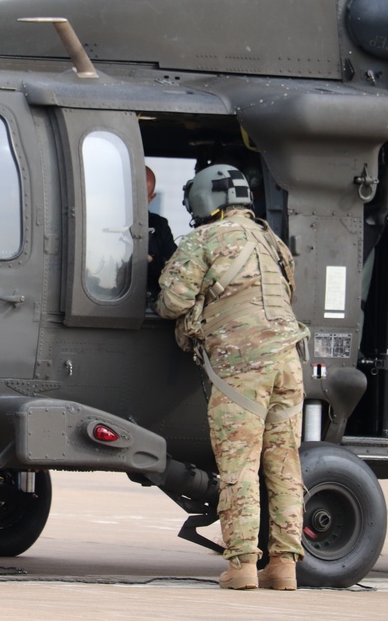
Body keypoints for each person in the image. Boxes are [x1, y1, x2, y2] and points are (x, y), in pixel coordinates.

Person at [155, 164, 307, 591]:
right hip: (288, 360)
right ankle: (284, 566)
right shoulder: (271, 241)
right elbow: (289, 291)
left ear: (204, 202)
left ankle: (241, 565)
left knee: (239, 465)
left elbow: (171, 302)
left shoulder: (203, 240)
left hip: (242, 366)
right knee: (284, 465)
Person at [146, 166, 177, 303]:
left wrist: (151, 260)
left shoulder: (160, 227)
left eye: (140, 196)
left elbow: (175, 269)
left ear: (151, 198)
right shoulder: (97, 224)